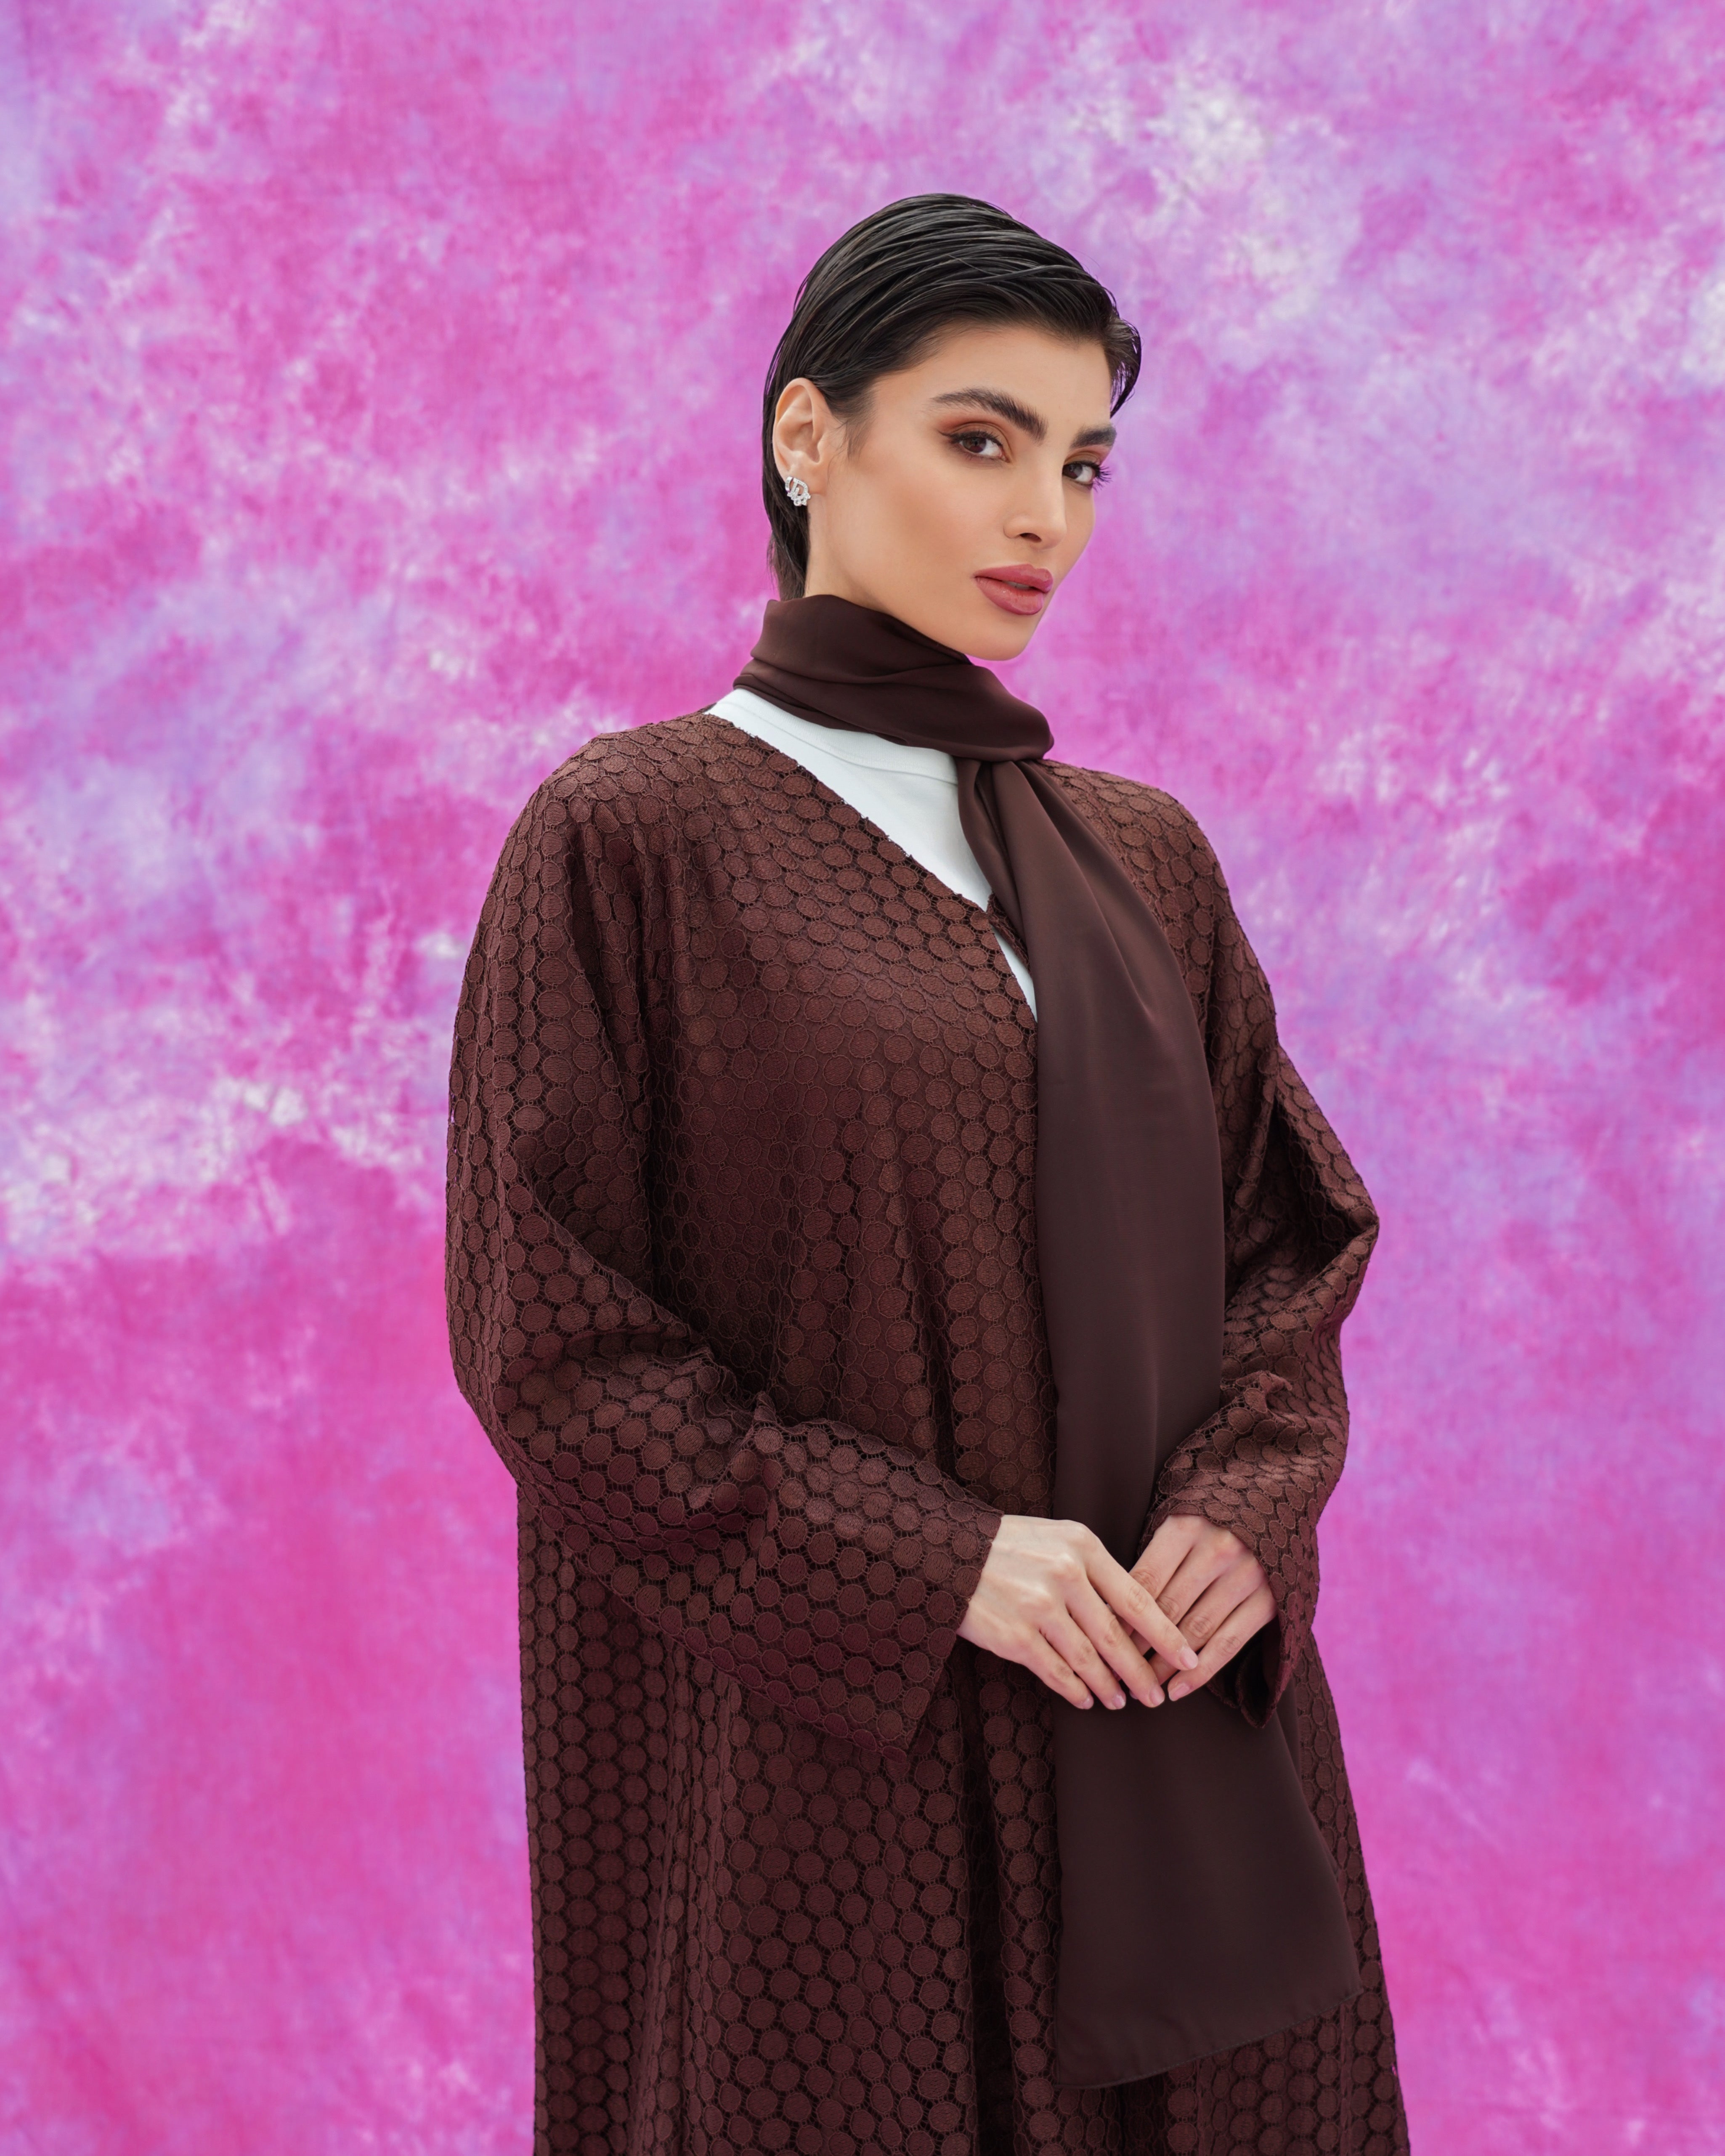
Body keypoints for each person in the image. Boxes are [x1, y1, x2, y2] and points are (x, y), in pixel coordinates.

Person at [446, 194, 1408, 2156]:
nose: (1042, 516)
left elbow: (1284, 1245)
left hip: (1175, 1732)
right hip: (830, 1771)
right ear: (808, 438)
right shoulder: (632, 836)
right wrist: (939, 1562)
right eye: (981, 440)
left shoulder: (1141, 858)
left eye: (1081, 464)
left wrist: (1244, 1511)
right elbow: (549, 1339)